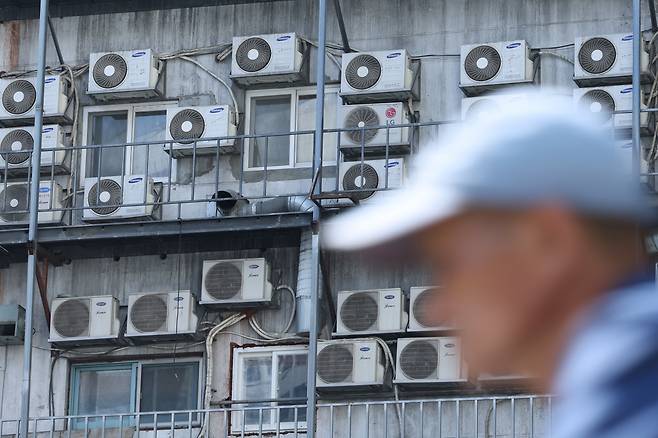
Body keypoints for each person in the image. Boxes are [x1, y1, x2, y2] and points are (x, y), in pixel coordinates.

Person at [322, 94, 658, 438]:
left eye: (451, 264)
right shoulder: (616, 386)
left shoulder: (628, 409)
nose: (440, 309)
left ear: (550, 240)